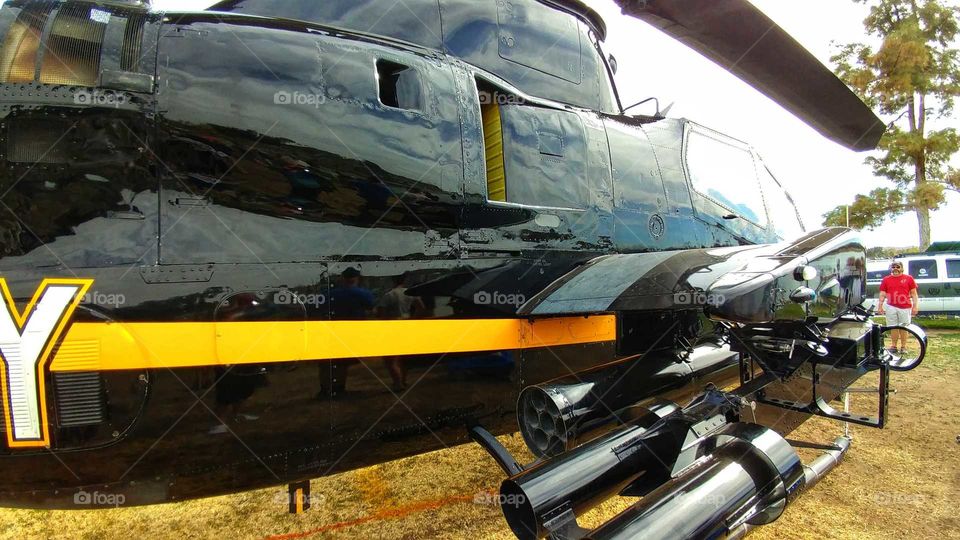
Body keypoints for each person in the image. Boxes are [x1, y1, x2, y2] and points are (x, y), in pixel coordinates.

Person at [877, 260, 919, 354]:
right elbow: (882, 294)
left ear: (902, 268)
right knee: (893, 327)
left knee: (904, 328)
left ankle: (903, 347)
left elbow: (914, 294)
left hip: (905, 307)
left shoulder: (909, 278)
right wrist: (880, 306)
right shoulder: (886, 279)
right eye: (893, 267)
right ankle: (893, 346)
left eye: (898, 267)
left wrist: (915, 306)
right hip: (891, 307)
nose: (895, 269)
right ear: (891, 269)